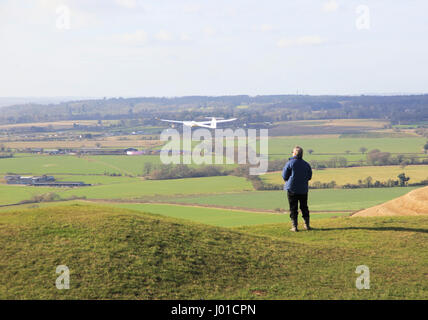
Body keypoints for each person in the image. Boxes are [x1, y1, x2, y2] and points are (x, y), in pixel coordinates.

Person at [282, 146, 312, 232]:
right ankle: (307, 225)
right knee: (304, 207)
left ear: (294, 153)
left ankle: (294, 226)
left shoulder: (290, 163)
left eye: (292, 152)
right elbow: (309, 177)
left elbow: (284, 176)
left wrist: (289, 181)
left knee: (293, 208)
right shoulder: (306, 164)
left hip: (292, 189)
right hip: (303, 189)